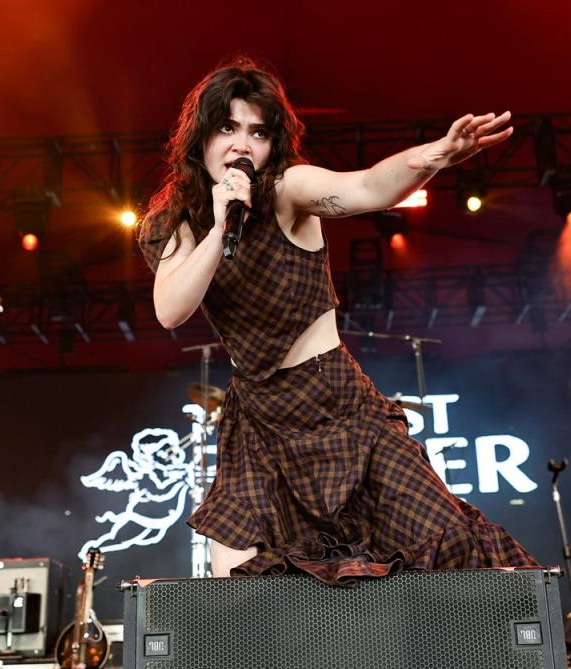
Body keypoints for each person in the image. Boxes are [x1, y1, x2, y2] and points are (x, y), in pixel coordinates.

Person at [138, 58, 537, 583]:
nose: (241, 146)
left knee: (445, 542)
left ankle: (494, 655)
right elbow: (170, 310)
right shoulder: (176, 220)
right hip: (259, 417)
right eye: (226, 128)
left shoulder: (288, 189)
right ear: (201, 137)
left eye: (257, 133)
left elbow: (368, 188)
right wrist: (220, 225)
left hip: (336, 401)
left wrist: (436, 154)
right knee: (239, 577)